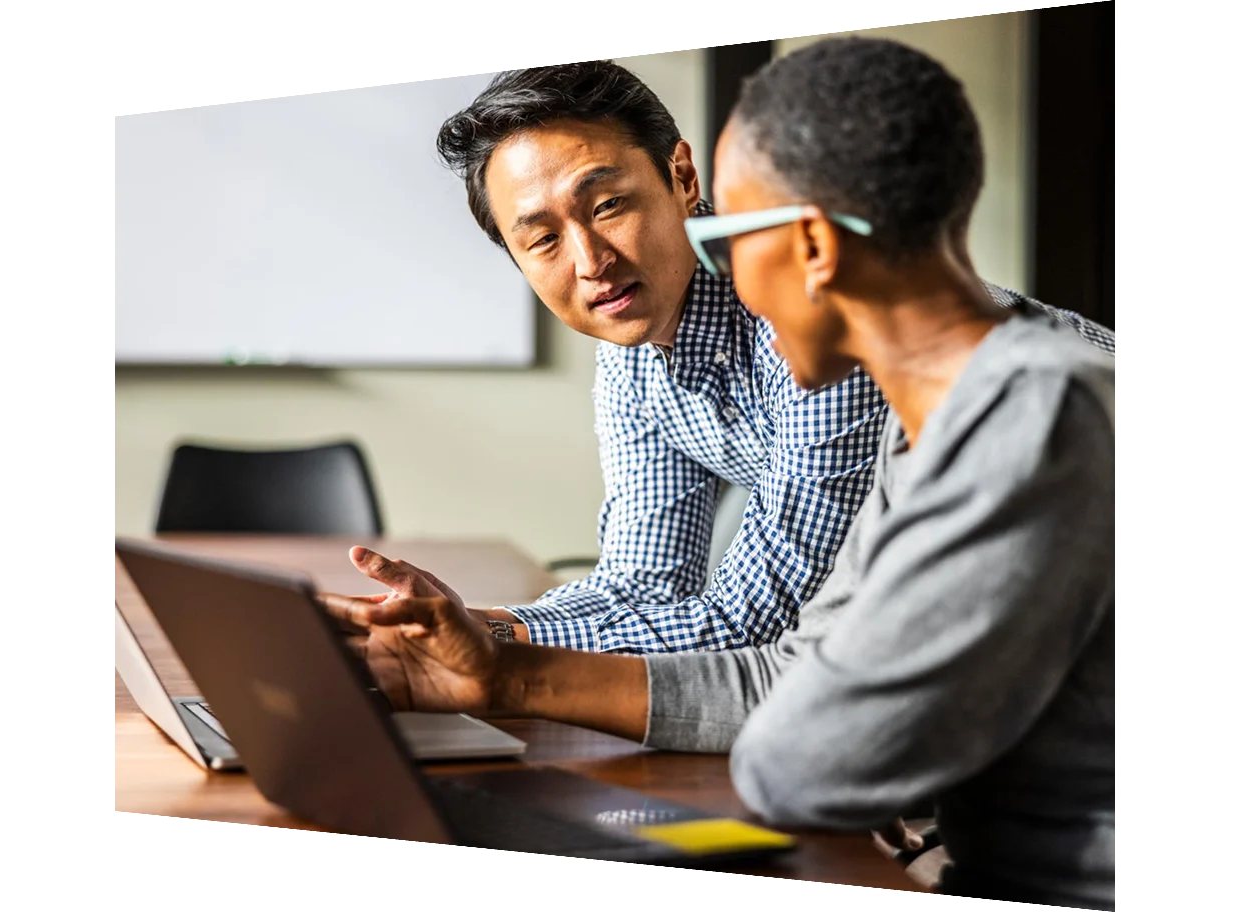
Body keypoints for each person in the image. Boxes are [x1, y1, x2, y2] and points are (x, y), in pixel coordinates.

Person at [322, 37, 1120, 908]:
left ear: (807, 243)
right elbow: (789, 673)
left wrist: (521, 670)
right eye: (543, 238)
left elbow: (809, 746)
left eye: (733, 230)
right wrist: (499, 658)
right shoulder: (934, 426)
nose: (725, 275)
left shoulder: (1030, 416)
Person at [319, 58, 1115, 657]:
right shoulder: (634, 351)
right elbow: (645, 582)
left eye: (608, 205)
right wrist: (473, 626)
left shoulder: (812, 316)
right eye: (544, 239)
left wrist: (493, 652)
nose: (590, 260)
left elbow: (759, 618)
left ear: (682, 176)